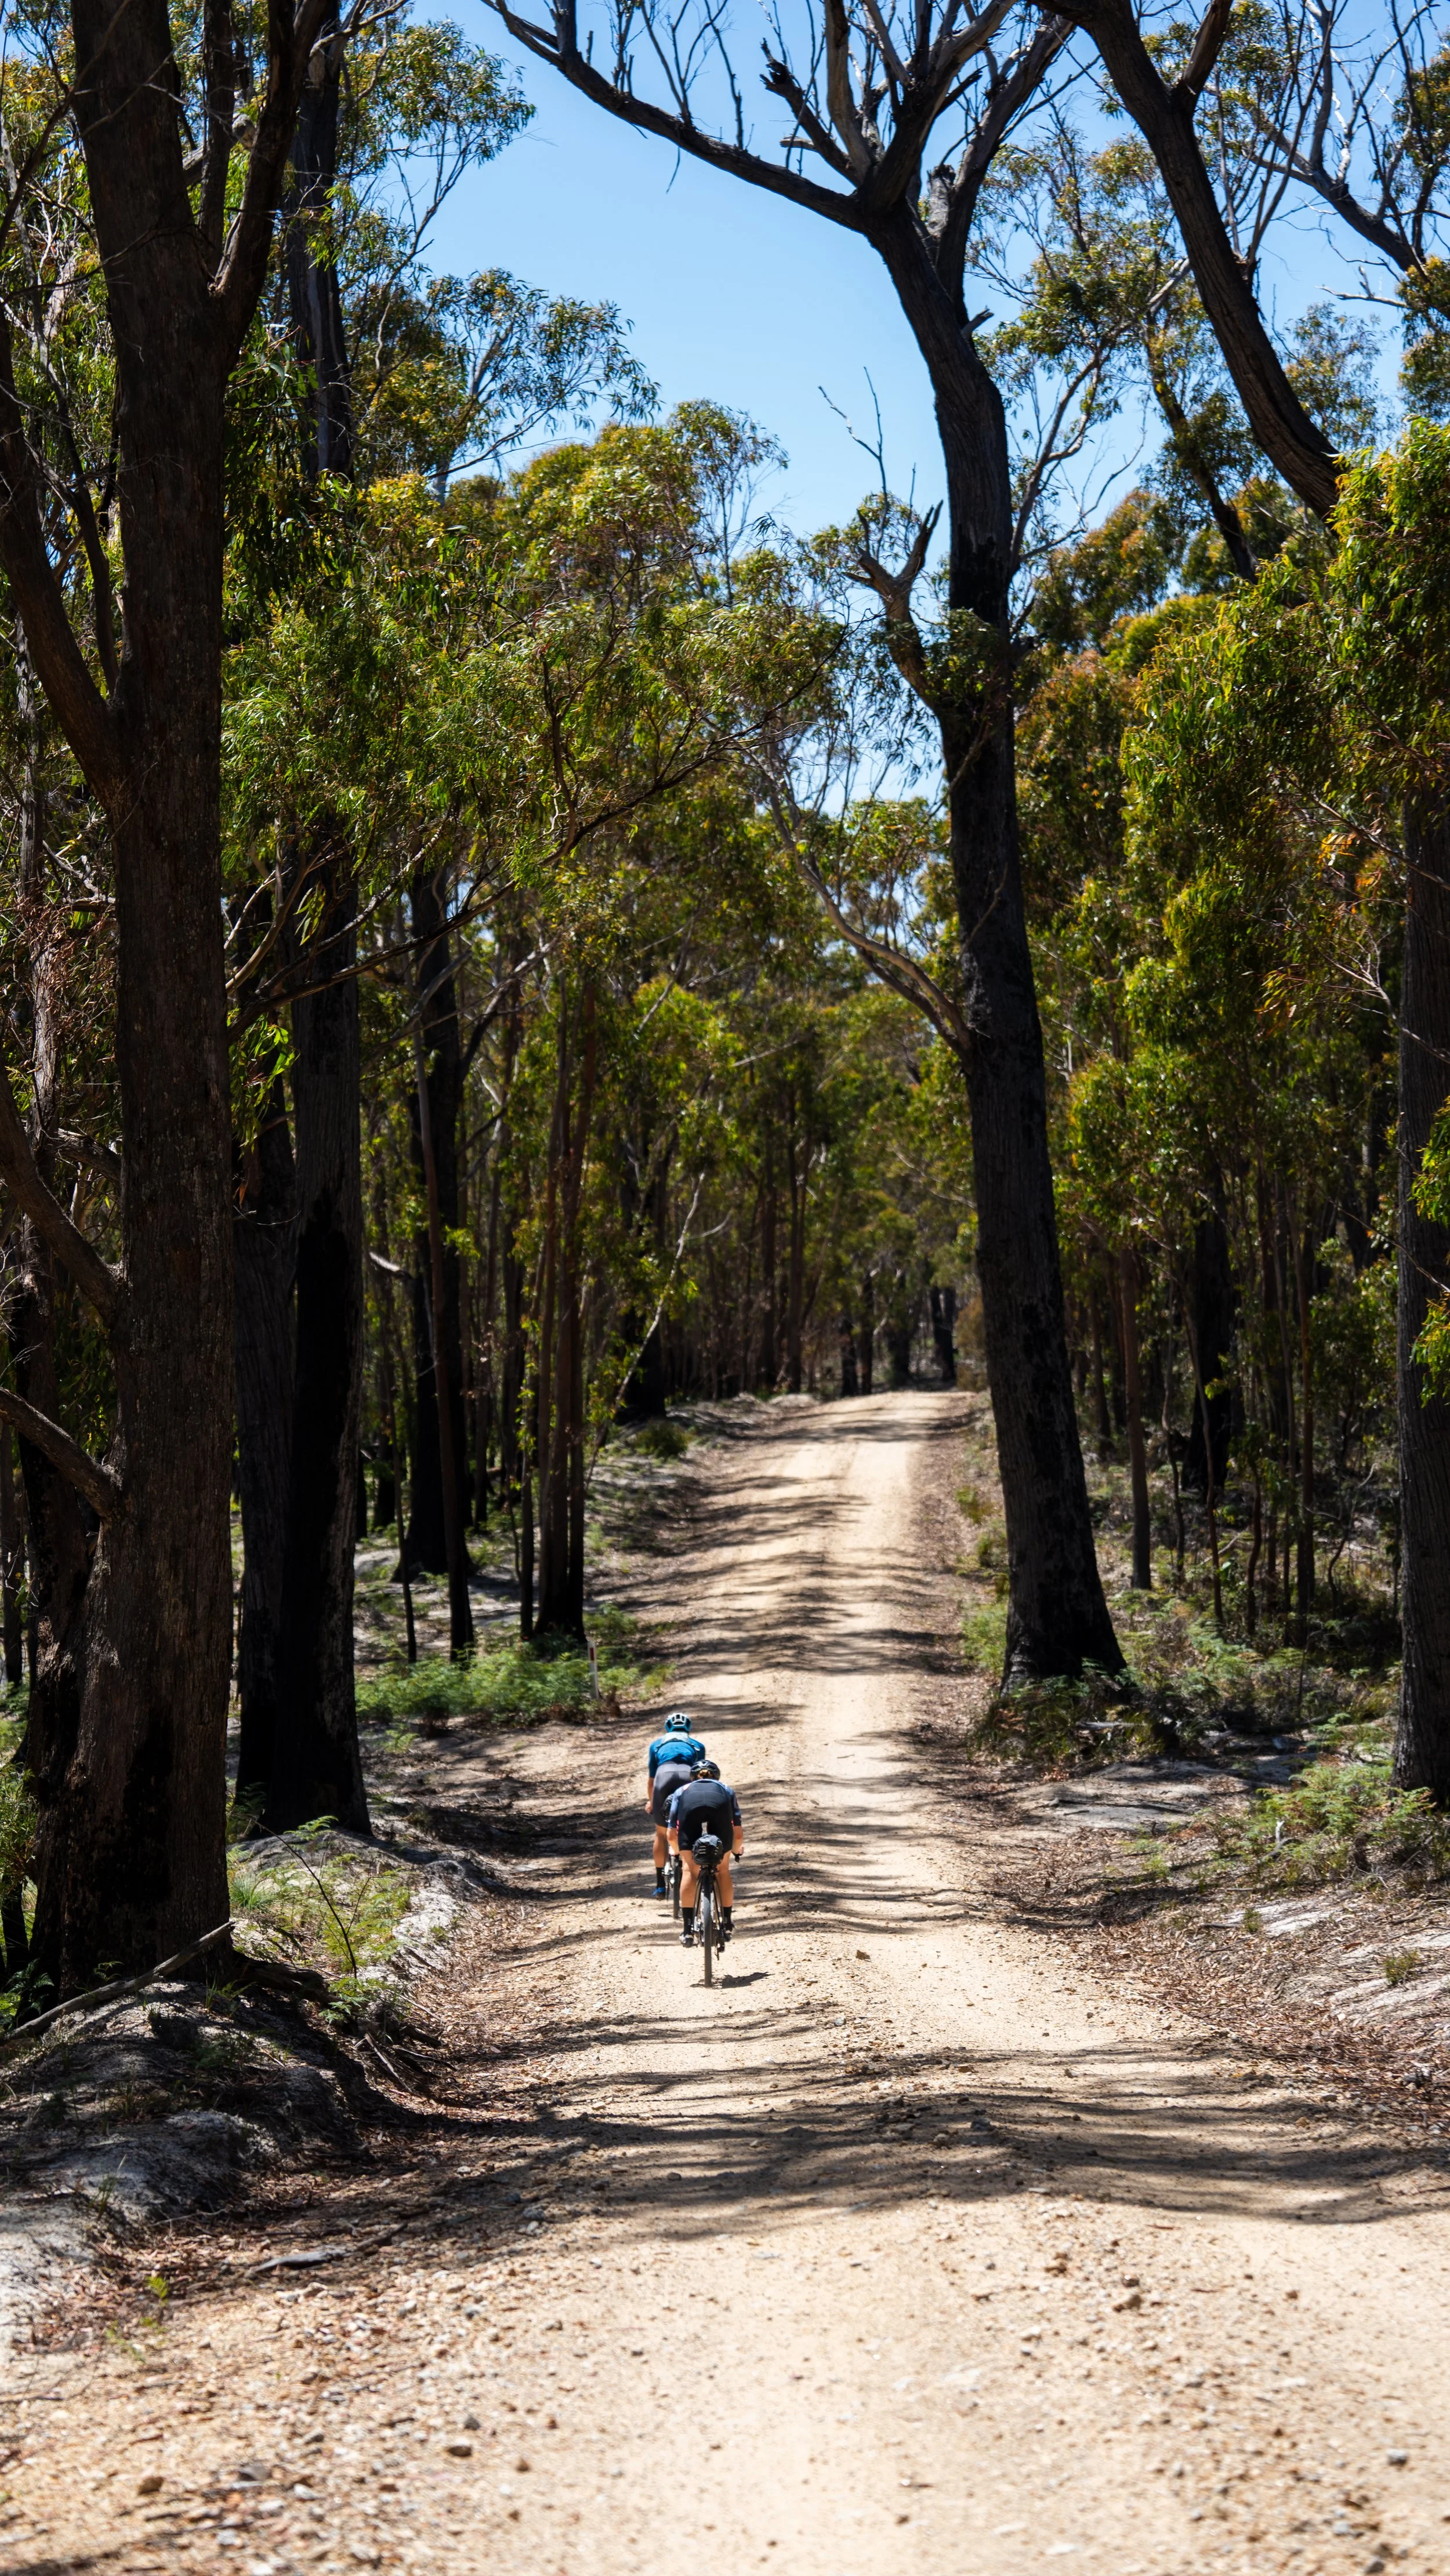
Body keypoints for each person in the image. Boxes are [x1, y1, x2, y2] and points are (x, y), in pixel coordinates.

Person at [667, 1758, 742, 1947]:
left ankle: (687, 1930)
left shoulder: (681, 1791)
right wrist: (735, 1850)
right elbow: (738, 1833)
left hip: (688, 1815)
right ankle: (726, 1923)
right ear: (716, 1777)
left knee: (689, 1872)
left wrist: (677, 1853)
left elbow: (671, 1834)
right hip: (721, 1814)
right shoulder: (726, 1790)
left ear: (693, 1778)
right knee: (723, 1870)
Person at [644, 1711, 706, 1895]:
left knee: (661, 1833)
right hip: (688, 1776)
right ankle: (693, 1875)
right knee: (690, 1826)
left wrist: (651, 1801)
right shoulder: (697, 1746)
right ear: (688, 1728)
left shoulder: (656, 1745)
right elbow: (701, 1775)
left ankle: (660, 1885)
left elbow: (651, 1780)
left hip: (663, 1776)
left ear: (667, 1728)